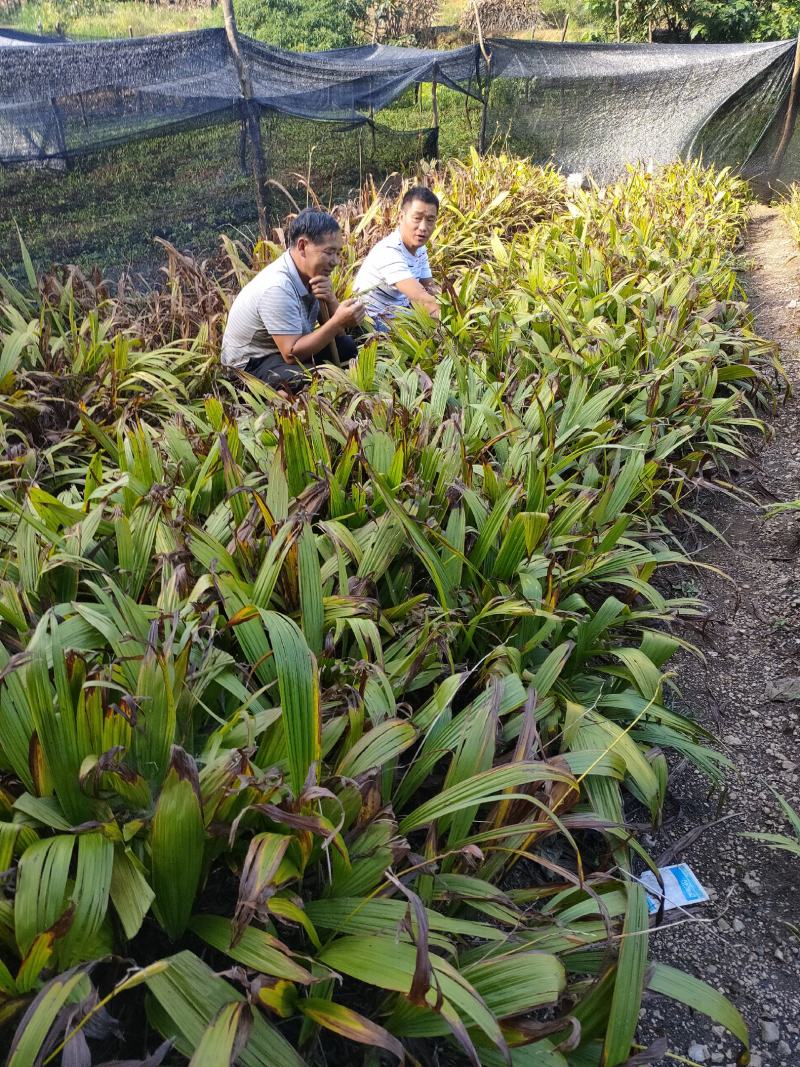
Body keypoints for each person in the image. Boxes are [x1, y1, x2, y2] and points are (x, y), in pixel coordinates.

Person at [221, 208, 365, 390]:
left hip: (282, 350)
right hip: (250, 364)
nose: (335, 261)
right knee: (313, 380)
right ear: (303, 246)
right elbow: (291, 353)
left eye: (338, 253)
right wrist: (337, 322)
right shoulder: (277, 287)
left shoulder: (312, 275)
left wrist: (331, 300)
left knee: (346, 347)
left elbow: (337, 335)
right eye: (329, 252)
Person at [353, 185, 440, 330]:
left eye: (430, 220)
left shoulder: (420, 249)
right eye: (417, 218)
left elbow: (429, 288)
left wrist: (452, 302)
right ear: (401, 217)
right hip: (373, 322)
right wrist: (455, 328)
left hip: (400, 314)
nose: (423, 227)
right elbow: (422, 298)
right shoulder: (389, 251)